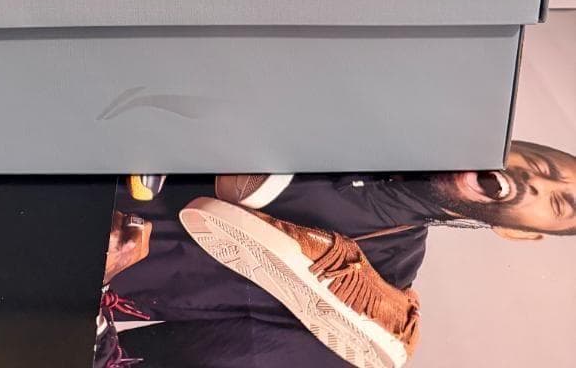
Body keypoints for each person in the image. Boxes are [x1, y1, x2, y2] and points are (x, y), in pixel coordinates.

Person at [96, 140, 576, 367]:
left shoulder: (377, 281)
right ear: (515, 141)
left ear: (517, 234)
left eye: (557, 203)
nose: (536, 182)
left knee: (346, 354)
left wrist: (96, 304)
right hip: (92, 151)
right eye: (545, 166)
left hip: (78, 266)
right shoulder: (374, 96)